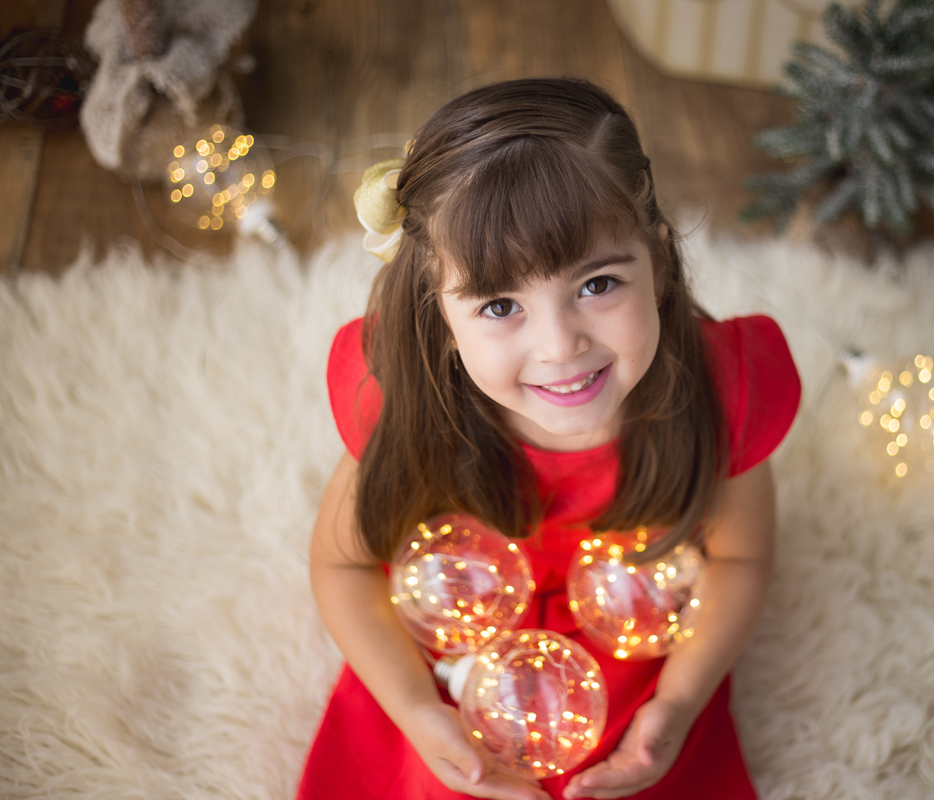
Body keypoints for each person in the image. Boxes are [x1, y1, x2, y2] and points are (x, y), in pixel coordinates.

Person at [298, 78, 801, 800]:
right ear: (438, 313)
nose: (561, 347)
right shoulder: (400, 402)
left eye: (597, 284)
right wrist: (415, 714)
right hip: (455, 652)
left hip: (640, 639)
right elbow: (344, 569)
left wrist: (676, 708)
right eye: (501, 305)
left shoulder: (725, 392)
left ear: (657, 264)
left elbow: (742, 557)